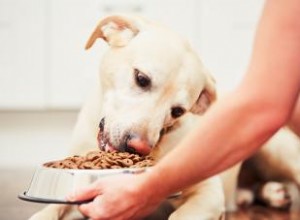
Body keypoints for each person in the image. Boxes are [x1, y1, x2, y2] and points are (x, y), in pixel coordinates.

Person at [68, 0, 300, 219]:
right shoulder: (93, 114)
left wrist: (150, 188)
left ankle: (256, 186)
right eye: (141, 80)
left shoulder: (200, 109)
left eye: (177, 111)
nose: (143, 142)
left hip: (255, 156)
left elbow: (263, 109)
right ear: (112, 29)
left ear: (200, 106)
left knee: (273, 139)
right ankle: (256, 189)